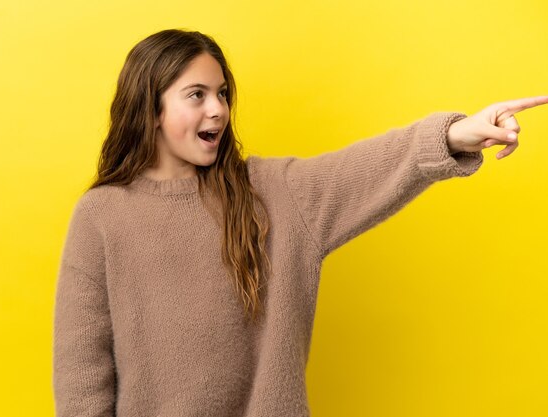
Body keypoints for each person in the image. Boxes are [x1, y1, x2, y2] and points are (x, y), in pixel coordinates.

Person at [52, 28, 548, 416]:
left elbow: (367, 167)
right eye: (196, 94)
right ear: (150, 107)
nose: (219, 110)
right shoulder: (102, 215)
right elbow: (81, 376)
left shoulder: (273, 193)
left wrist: (456, 135)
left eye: (223, 94)